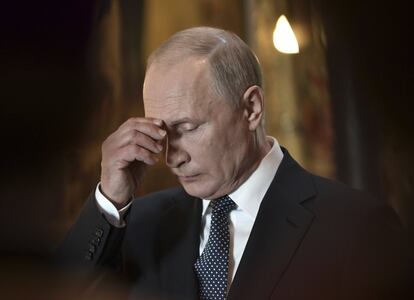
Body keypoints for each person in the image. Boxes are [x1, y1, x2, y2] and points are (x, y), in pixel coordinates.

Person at [57, 27, 409, 300]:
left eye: (188, 128)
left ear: (251, 109)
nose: (172, 156)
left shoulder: (355, 226)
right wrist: (110, 199)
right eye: (163, 133)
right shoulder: (141, 224)